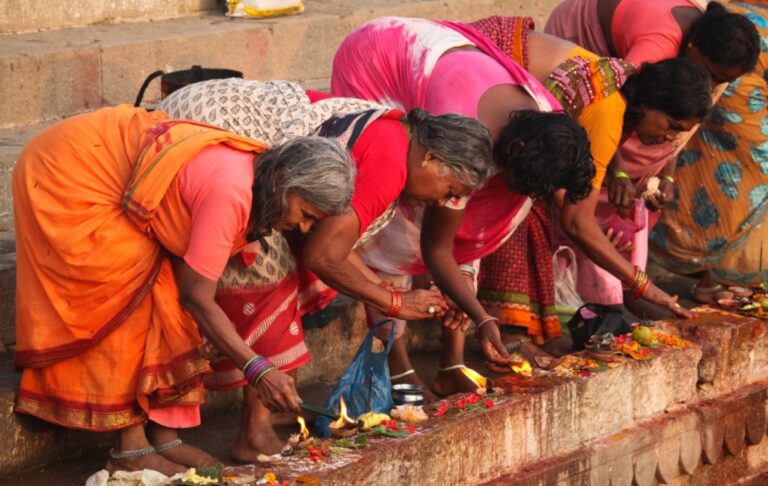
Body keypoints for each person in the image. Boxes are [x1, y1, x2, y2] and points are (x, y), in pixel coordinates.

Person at [12, 104, 357, 475]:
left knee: (168, 303)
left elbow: (181, 252)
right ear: (284, 180)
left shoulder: (260, 178)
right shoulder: (233, 192)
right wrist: (259, 370)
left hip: (101, 163)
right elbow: (197, 296)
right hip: (68, 171)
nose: (303, 228)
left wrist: (200, 331)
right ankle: (130, 449)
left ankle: (161, 436)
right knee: (130, 293)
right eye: (305, 214)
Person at [159, 78, 493, 459]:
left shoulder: (398, 140)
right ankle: (254, 432)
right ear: (430, 157)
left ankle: (275, 410)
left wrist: (396, 297)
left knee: (300, 262)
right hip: (202, 134)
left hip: (217, 138)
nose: (443, 201)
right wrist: (393, 302)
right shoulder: (388, 163)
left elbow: (326, 247)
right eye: (449, 189)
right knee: (273, 274)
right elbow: (324, 255)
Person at [331, 16, 596, 396]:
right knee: (394, 223)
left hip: (449, 80)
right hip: (376, 61)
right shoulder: (466, 135)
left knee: (475, 221)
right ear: (512, 153)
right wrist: (482, 315)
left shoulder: (546, 121)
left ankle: (451, 364)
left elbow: (470, 235)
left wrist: (475, 309)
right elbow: (437, 248)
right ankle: (397, 363)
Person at [469, 17, 709, 348]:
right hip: (481, 65)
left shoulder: (624, 88)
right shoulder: (608, 110)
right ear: (654, 102)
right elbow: (577, 221)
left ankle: (511, 332)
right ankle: (505, 335)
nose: (670, 137)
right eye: (671, 124)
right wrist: (641, 283)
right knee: (520, 205)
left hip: (489, 62)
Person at [544, 0, 760, 310]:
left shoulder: (701, 61)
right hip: (579, 44)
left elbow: (678, 128)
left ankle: (612, 280)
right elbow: (612, 104)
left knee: (630, 176)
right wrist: (617, 172)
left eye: (721, 83)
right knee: (580, 184)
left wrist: (665, 175)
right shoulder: (656, 49)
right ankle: (593, 280)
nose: (712, 86)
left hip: (624, 89)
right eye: (711, 75)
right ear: (693, 46)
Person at [649, 2, 768, 293]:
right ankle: (719, 275)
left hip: (744, 46)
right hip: (744, 61)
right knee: (750, 166)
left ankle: (719, 275)